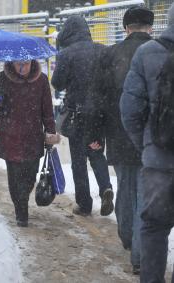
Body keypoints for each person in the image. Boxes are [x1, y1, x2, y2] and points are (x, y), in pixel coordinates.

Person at [85, 7, 154, 275]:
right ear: (151, 27)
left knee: (126, 186)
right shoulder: (163, 53)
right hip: (152, 138)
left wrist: (94, 134)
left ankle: (127, 236)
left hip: (120, 134)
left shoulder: (109, 54)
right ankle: (140, 255)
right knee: (146, 194)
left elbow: (95, 100)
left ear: (125, 28)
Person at [121, 4, 174, 282]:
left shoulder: (147, 53)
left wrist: (148, 146)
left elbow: (129, 110)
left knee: (154, 228)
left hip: (159, 161)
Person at [51, 15, 114, 217]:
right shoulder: (103, 50)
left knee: (78, 161)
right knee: (96, 152)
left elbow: (57, 83)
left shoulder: (66, 54)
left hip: (77, 115)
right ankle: (106, 187)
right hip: (99, 116)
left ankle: (84, 204)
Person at [0, 60, 60, 227]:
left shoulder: (41, 80)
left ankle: (22, 199)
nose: (22, 68)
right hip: (9, 136)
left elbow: (47, 110)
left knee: (30, 176)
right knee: (14, 177)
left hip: (32, 138)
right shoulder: (1, 78)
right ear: (12, 63)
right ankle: (21, 211)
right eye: (19, 64)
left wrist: (50, 131)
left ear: (32, 63)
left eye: (25, 64)